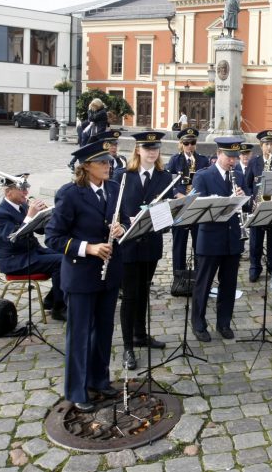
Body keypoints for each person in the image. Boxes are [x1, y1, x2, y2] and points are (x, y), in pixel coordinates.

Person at [45, 140, 125, 413]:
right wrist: (88, 248)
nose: (108, 165)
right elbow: (53, 238)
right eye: (102, 162)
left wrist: (120, 228)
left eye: (109, 161)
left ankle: (99, 378)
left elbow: (122, 219)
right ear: (87, 166)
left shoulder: (114, 188)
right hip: (81, 274)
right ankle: (76, 389)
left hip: (109, 273)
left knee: (104, 330)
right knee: (79, 335)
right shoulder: (70, 194)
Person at [113, 132, 173, 370]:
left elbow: (167, 216)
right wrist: (125, 223)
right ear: (138, 150)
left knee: (144, 290)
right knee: (129, 296)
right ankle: (128, 346)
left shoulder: (164, 177)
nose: (152, 152)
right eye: (147, 148)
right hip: (127, 245)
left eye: (155, 148)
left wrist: (159, 217)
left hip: (151, 244)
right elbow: (113, 210)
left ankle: (140, 334)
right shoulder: (122, 176)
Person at [190, 137, 249, 342]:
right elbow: (197, 208)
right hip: (211, 239)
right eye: (229, 156)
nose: (232, 161)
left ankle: (224, 322)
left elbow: (248, 203)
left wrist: (241, 197)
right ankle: (198, 323)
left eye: (235, 157)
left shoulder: (239, 176)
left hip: (233, 238)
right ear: (218, 154)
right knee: (203, 283)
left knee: (229, 284)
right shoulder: (203, 176)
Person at [0, 176, 66, 322]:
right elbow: (13, 239)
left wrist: (46, 215)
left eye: (26, 189)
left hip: (32, 252)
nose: (26, 192)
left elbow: (41, 231)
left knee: (67, 253)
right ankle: (59, 308)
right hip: (15, 260)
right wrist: (30, 216)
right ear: (8, 192)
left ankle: (51, 301)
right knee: (61, 262)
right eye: (21, 189)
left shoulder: (22, 206)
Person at [166, 128, 210, 273]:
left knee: (200, 243)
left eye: (192, 142)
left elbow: (208, 182)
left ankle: (199, 274)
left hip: (197, 206)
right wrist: (178, 194)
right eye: (186, 143)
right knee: (179, 243)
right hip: (180, 206)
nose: (190, 146)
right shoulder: (174, 160)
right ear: (181, 144)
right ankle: (179, 275)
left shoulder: (203, 160)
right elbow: (167, 183)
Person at [245, 130, 272, 282]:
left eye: (271, 144)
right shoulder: (254, 162)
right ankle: (255, 267)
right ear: (261, 146)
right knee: (255, 240)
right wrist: (251, 200)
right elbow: (246, 184)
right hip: (258, 206)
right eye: (266, 144)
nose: (268, 147)